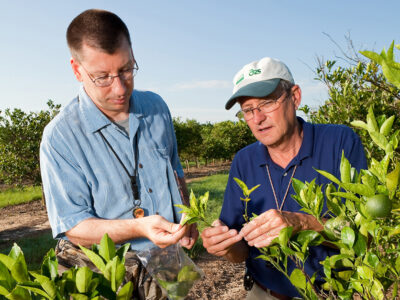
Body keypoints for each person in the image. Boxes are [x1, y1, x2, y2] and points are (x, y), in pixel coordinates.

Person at [40, 9, 197, 299]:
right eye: (102, 77)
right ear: (77, 70)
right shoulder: (60, 136)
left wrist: (188, 216)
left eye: (126, 69)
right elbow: (72, 226)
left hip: (165, 258)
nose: (120, 87)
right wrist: (139, 226)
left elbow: (175, 171)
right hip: (99, 264)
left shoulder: (156, 108)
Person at [201, 57, 367, 299]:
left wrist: (301, 223)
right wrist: (225, 246)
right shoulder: (244, 161)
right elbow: (241, 252)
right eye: (247, 110)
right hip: (263, 293)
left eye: (267, 103)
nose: (257, 118)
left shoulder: (340, 143)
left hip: (331, 294)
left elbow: (365, 237)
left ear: (295, 97)